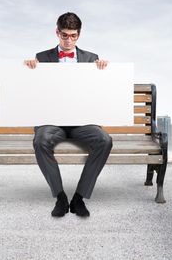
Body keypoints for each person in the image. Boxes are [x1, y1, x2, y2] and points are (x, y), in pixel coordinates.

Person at [23, 12, 112, 217]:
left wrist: (104, 71)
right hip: (53, 123)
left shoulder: (92, 59)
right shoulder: (41, 58)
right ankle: (60, 197)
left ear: (79, 35)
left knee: (104, 140)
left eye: (73, 36)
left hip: (82, 123)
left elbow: (101, 93)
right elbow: (31, 92)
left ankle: (79, 197)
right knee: (40, 140)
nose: (68, 40)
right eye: (64, 35)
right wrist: (29, 70)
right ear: (57, 32)